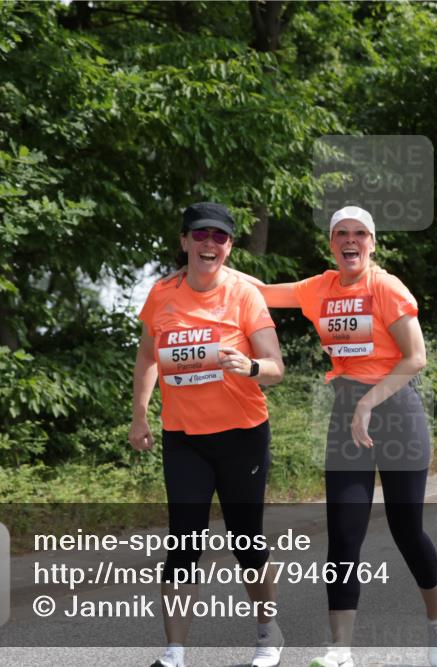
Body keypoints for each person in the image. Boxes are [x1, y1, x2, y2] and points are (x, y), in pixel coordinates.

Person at [182, 205, 437, 667]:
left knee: (406, 530)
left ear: (372, 242)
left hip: (395, 412)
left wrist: (370, 402)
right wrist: (211, 258)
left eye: (360, 234)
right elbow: (265, 291)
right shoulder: (320, 288)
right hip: (347, 413)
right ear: (331, 243)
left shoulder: (385, 287)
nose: (351, 241)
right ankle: (340, 649)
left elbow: (416, 357)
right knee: (344, 535)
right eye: (341, 234)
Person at [129, 202, 286, 667]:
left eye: (219, 238)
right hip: (184, 439)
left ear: (230, 247)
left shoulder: (244, 295)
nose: (209, 244)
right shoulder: (162, 294)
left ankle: (267, 632)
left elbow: (276, 369)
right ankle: (175, 652)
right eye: (200, 235)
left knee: (246, 539)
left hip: (242, 435)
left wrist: (251, 366)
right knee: (183, 541)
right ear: (184, 241)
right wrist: (140, 415)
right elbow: (146, 358)